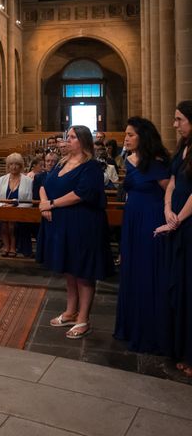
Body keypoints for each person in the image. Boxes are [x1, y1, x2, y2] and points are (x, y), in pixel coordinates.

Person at [37, 125, 114, 339]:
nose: (67, 140)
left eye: (72, 137)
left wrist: (51, 204)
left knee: (83, 272)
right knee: (70, 271)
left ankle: (83, 319)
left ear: (82, 141)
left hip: (84, 225)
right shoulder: (62, 162)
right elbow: (44, 183)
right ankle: (70, 312)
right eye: (67, 136)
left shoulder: (90, 166)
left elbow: (81, 194)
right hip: (63, 225)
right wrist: (44, 202)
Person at [113, 117, 170, 354]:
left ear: (143, 137)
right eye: (125, 134)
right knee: (132, 270)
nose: (125, 138)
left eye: (131, 135)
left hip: (150, 220)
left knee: (147, 272)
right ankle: (131, 326)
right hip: (132, 221)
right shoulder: (128, 159)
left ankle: (150, 332)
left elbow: (171, 192)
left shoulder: (156, 163)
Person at [155, 101, 192, 377]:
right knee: (176, 285)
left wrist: (178, 218)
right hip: (176, 221)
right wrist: (168, 208)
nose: (174, 124)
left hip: (188, 226)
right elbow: (173, 182)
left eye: (179, 119)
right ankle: (177, 346)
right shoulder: (182, 148)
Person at [0, 153, 33, 257]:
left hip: (20, 212)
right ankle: (6, 246)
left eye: (16, 164)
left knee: (12, 223)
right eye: (11, 164)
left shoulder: (28, 181)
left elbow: (29, 201)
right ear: (8, 166)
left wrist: (15, 207)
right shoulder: (1, 179)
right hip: (3, 210)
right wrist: (2, 206)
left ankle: (13, 247)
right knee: (3, 222)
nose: (14, 167)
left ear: (21, 166)